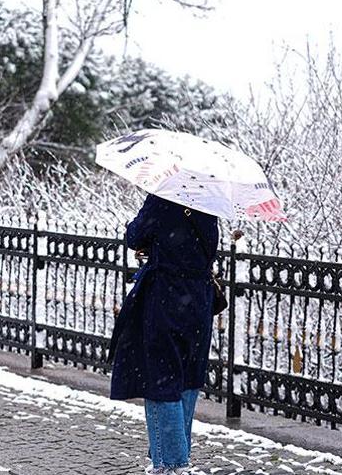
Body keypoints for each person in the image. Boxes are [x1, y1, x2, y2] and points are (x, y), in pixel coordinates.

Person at [108, 194, 219, 474]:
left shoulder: (163, 198)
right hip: (199, 301)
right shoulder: (209, 204)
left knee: (160, 378)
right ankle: (173, 456)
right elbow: (193, 249)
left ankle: (170, 464)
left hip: (166, 299)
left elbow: (135, 234)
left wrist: (148, 241)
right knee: (187, 377)